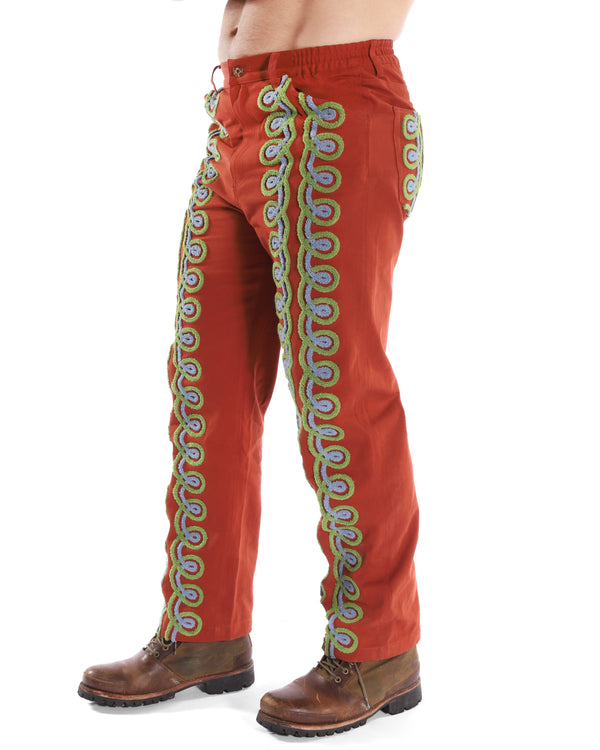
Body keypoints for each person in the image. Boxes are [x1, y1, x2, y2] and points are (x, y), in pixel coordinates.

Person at [78, 0, 424, 737]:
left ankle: (380, 648)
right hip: (237, 114)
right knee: (207, 388)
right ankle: (204, 634)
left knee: (338, 391)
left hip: (337, 107)